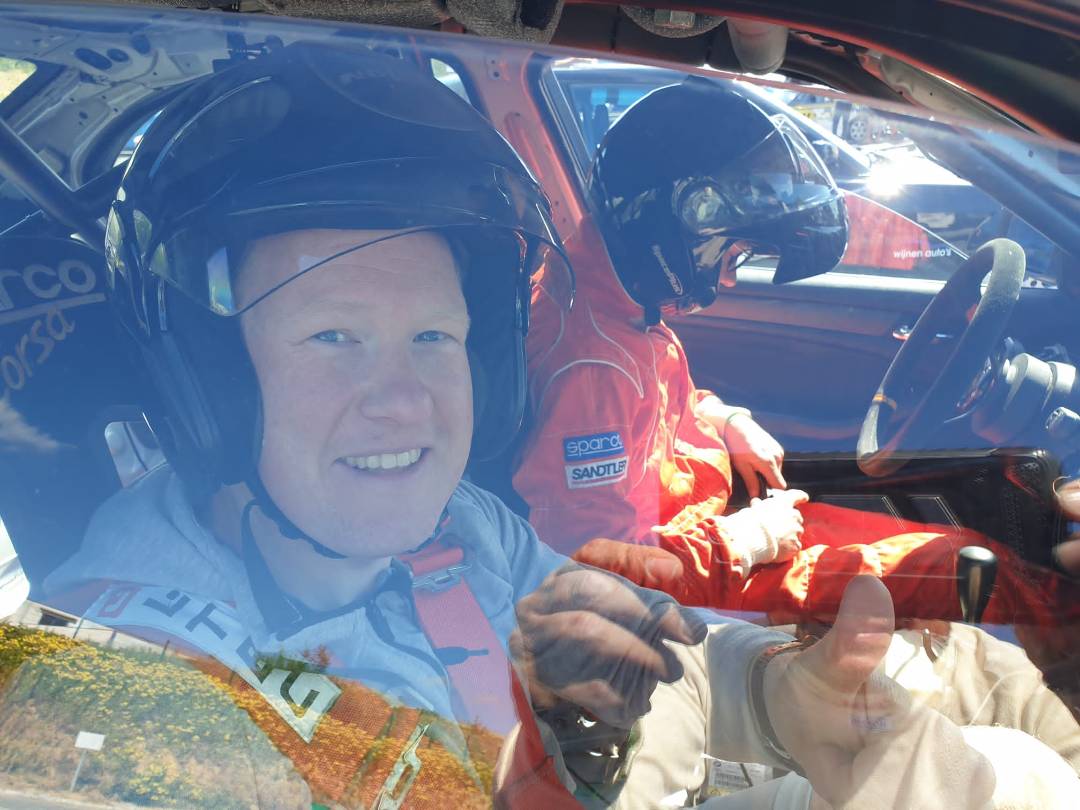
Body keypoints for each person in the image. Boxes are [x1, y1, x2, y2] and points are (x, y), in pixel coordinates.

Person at [1, 42, 1062, 810]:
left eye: (435, 337)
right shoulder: (120, 698)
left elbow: (633, 639)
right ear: (209, 381)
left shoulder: (462, 528)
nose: (404, 401)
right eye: (333, 339)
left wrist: (777, 694)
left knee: (990, 689)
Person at [513, 77, 1080, 639]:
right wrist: (750, 539)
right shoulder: (593, 368)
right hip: (698, 578)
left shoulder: (615, 304)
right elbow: (595, 570)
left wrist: (728, 422)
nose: (729, 279)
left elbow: (662, 408)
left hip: (710, 537)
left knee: (959, 553)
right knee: (971, 572)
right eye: (734, 254)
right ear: (680, 223)